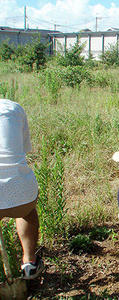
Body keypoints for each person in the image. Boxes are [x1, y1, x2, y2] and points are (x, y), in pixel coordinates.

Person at [0, 99, 44, 279]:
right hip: (22, 191)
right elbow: (24, 149)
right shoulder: (12, 108)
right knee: (27, 212)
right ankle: (29, 262)